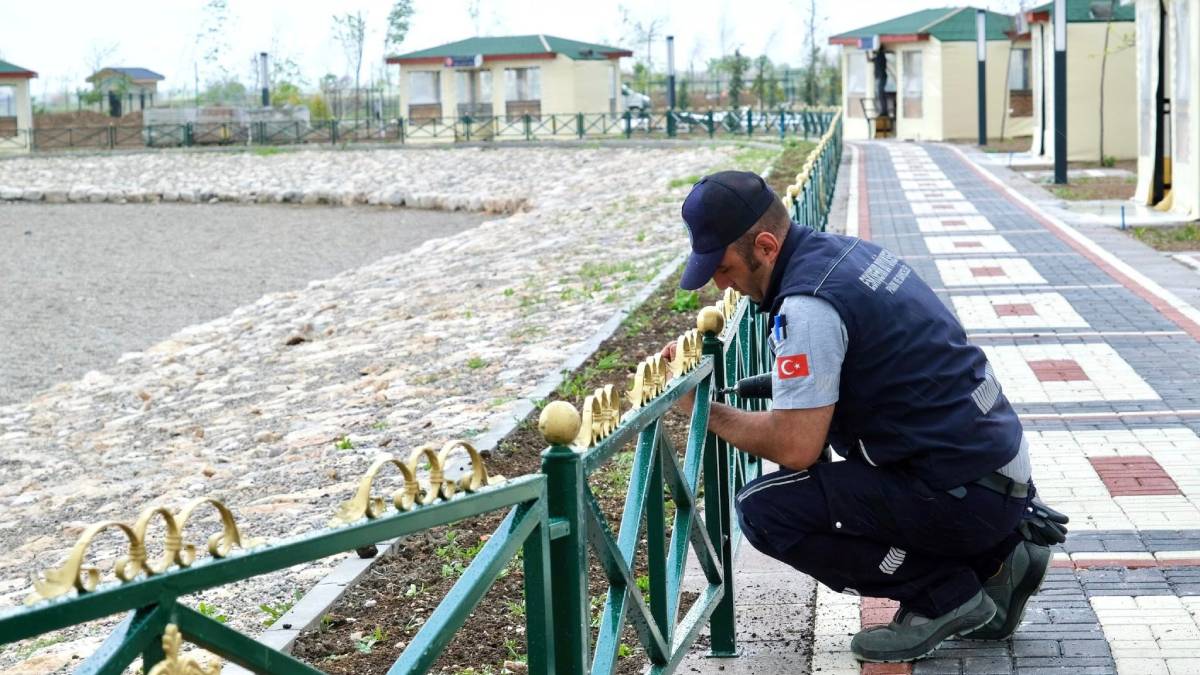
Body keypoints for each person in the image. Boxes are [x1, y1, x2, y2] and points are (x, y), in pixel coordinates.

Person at [667, 170, 1061, 663]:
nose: (721, 284)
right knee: (843, 484)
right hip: (998, 474)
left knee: (765, 511)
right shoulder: (849, 255)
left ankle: (945, 595)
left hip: (965, 494)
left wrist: (702, 410)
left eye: (724, 268)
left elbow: (796, 446)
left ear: (765, 247)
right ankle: (1001, 558)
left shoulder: (808, 305)